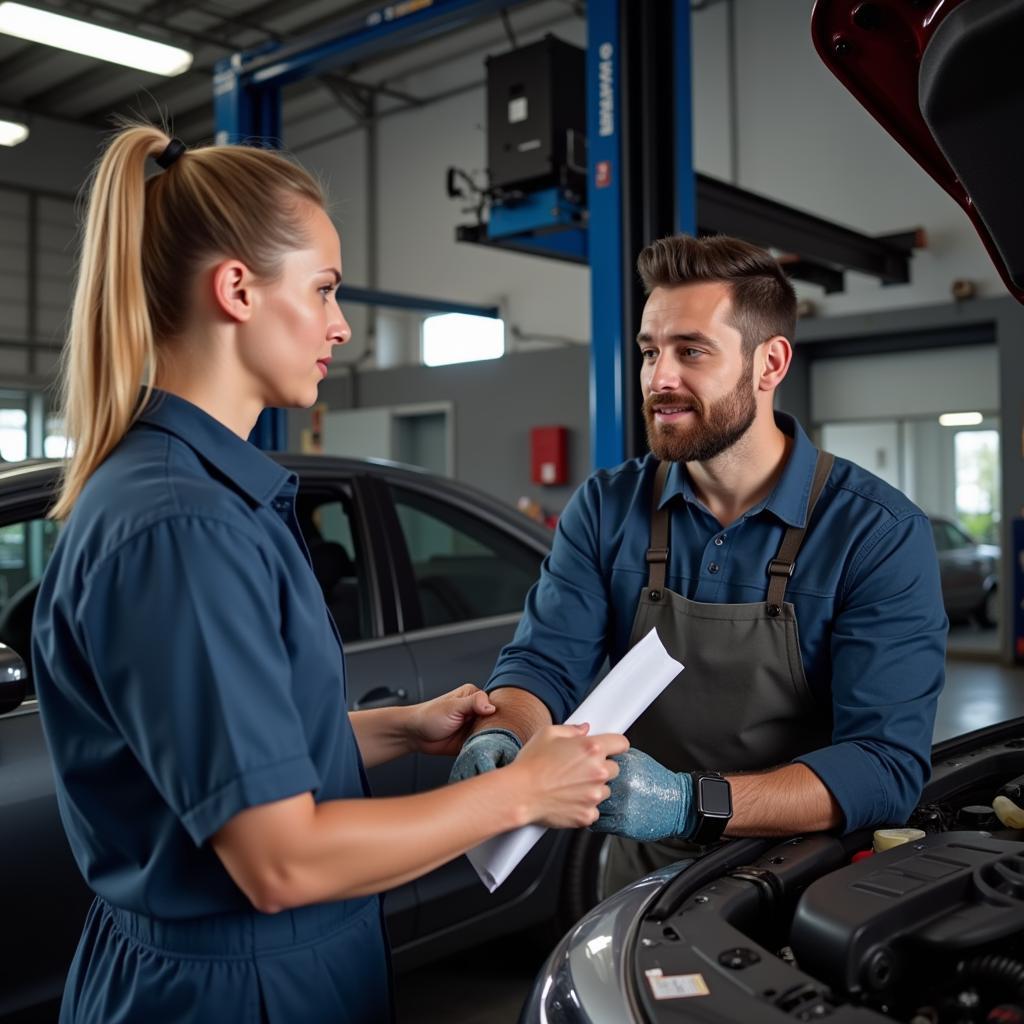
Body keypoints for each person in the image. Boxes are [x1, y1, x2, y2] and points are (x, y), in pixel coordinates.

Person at [31, 123, 628, 1024]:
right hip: (230, 994)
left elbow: (235, 753)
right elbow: (282, 859)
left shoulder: (203, 497)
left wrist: (400, 727)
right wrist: (520, 789)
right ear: (236, 289)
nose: (341, 325)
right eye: (322, 289)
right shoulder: (181, 527)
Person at [450, 233, 947, 898]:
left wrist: (693, 802)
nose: (660, 378)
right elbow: (543, 662)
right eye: (650, 351)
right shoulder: (608, 507)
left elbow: (884, 767)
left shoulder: (876, 533)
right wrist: (506, 730)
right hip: (641, 871)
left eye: (690, 351)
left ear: (769, 364)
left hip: (801, 881)